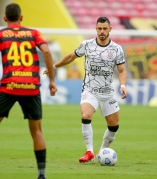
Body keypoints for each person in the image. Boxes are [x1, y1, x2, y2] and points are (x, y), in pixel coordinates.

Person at [0, 3, 57, 179]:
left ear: (5, 18)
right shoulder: (34, 33)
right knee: (37, 131)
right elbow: (46, 51)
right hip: (31, 86)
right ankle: (41, 176)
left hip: (9, 85)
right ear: (21, 18)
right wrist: (52, 81)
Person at [44, 16, 127, 163]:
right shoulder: (87, 45)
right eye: (99, 28)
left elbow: (121, 70)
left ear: (110, 29)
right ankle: (89, 151)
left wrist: (123, 85)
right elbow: (71, 57)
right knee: (86, 115)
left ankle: (102, 151)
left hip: (107, 93)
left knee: (113, 125)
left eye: (105, 29)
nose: (102, 31)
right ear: (96, 29)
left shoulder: (116, 49)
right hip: (90, 90)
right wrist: (54, 66)